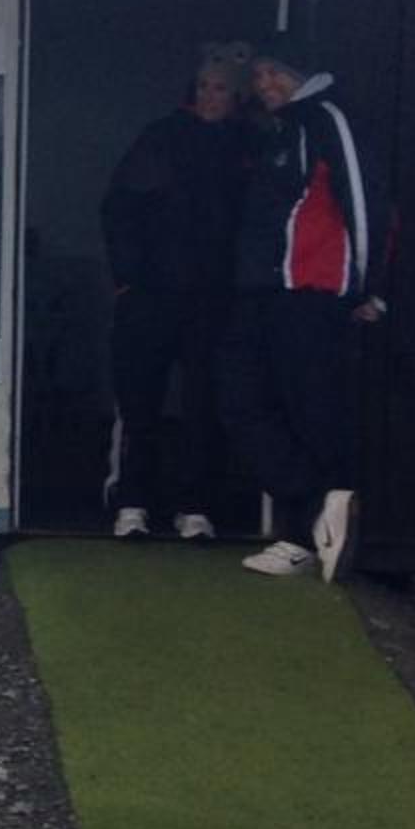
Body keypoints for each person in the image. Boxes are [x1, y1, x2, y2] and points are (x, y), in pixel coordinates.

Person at [221, 44, 389, 581]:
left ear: (304, 72)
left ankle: (302, 533)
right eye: (259, 75)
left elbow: (364, 201)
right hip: (261, 290)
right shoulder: (279, 130)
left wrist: (367, 289)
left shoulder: (327, 118)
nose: (265, 84)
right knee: (241, 402)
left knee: (309, 410)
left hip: (311, 291)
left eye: (276, 72)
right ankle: (321, 502)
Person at [99, 43, 252, 541]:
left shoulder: (248, 146)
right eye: (203, 86)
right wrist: (127, 278)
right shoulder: (162, 137)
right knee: (139, 400)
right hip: (151, 294)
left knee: (204, 403)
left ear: (236, 96)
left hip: (214, 299)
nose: (209, 96)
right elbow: (119, 207)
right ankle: (132, 502)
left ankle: (196, 506)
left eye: (220, 88)